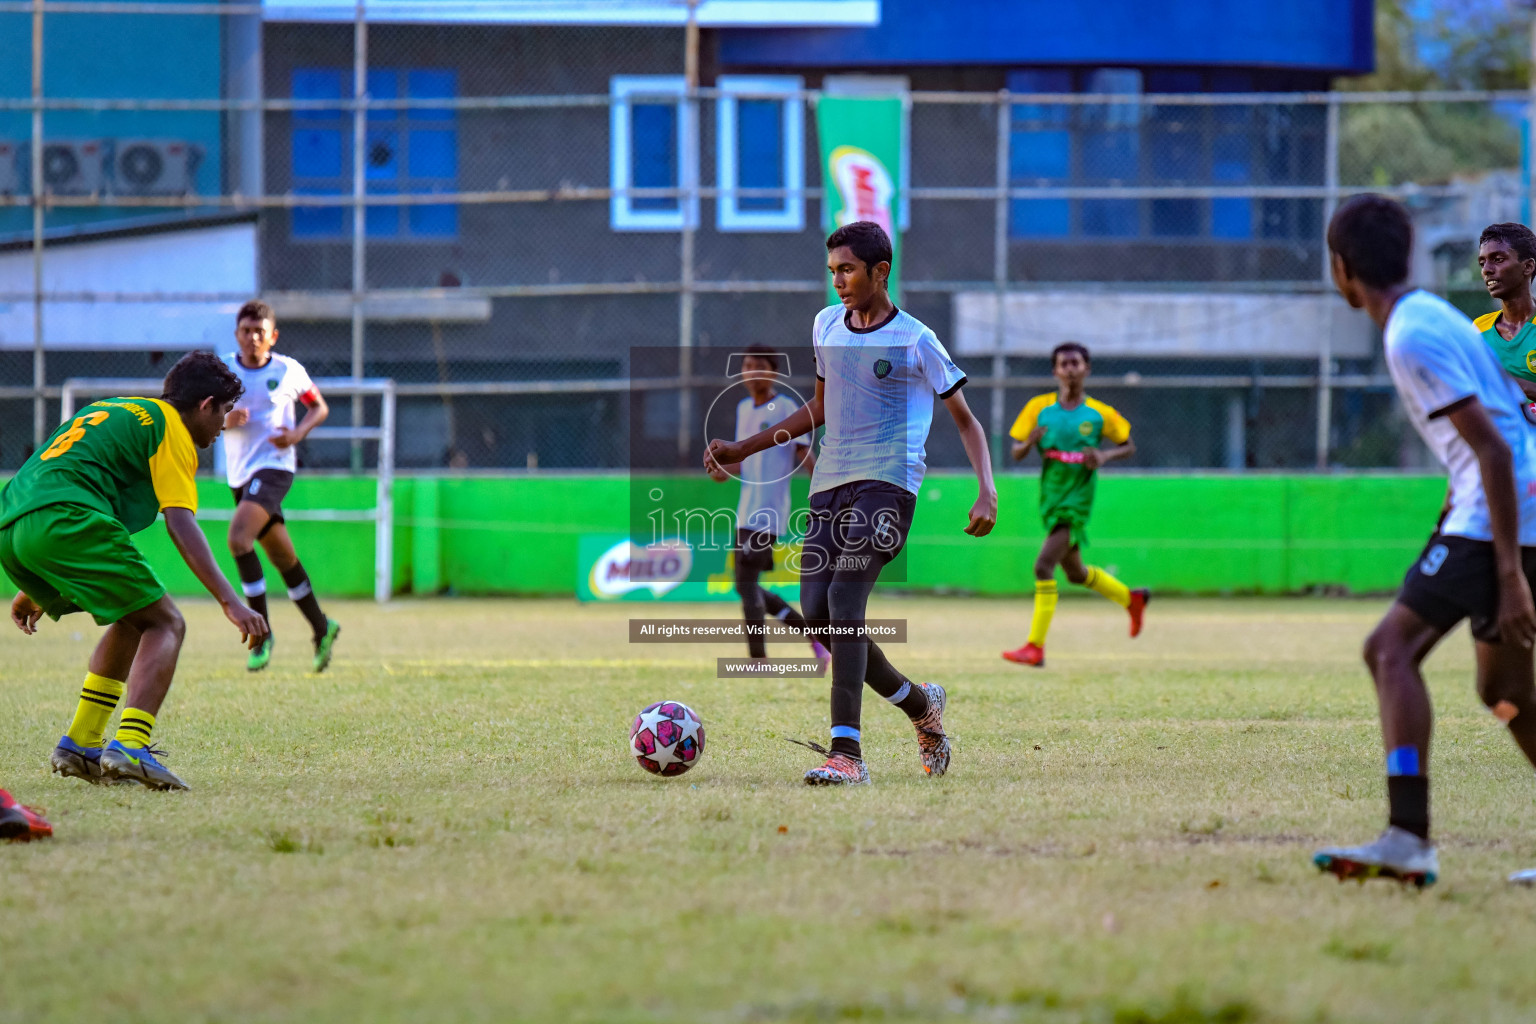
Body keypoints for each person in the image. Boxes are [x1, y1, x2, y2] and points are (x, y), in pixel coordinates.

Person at [704, 221, 998, 785]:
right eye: (832, 270)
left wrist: (986, 491)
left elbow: (967, 421)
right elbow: (818, 405)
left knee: (844, 595)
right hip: (830, 486)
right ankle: (920, 705)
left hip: (888, 486)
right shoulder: (825, 326)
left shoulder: (916, 339)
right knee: (819, 614)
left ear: (879, 271)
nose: (838, 281)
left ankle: (847, 755)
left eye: (848, 270)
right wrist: (743, 446)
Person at [1313, 194, 1536, 887]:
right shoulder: (1432, 315)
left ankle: (1408, 835)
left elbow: (1496, 453)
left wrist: (1507, 575)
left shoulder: (1412, 333)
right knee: (1507, 694)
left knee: (1389, 649)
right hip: (1504, 510)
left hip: (1504, 514)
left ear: (1343, 268)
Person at [1, 352, 268, 792]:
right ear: (204, 405)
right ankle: (131, 745)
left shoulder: (116, 409)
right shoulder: (172, 430)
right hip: (65, 518)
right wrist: (231, 601)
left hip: (13, 523)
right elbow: (181, 522)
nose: (225, 424)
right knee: (167, 623)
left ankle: (81, 743)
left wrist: (33, 582)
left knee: (134, 616)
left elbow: (67, 473)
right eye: (222, 411)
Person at [1001, 342, 1147, 667]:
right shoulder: (1039, 409)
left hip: (1077, 500)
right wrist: (1029, 443)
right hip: (1051, 498)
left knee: (1043, 566)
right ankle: (1132, 599)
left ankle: (1034, 647)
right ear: (1055, 371)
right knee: (1077, 573)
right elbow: (1015, 452)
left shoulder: (1099, 414)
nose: (1069, 368)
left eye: (1075, 363)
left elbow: (1127, 446)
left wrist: (1104, 455)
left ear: (1086, 369)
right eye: (1063, 364)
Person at [221, 300, 341, 673]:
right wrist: (226, 419)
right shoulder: (223, 370)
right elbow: (201, 415)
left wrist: (297, 434)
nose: (253, 337)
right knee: (282, 558)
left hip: (275, 469)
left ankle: (262, 634)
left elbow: (317, 407)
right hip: (240, 475)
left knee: (239, 539)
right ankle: (322, 627)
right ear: (237, 334)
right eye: (246, 331)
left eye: (260, 331)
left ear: (272, 336)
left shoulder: (288, 370)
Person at [706, 343, 830, 669]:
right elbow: (744, 460)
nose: (751, 372)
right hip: (745, 510)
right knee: (745, 585)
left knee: (746, 584)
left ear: (773, 372)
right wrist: (723, 471)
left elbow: (804, 453)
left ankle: (758, 660)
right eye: (746, 365)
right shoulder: (744, 408)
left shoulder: (785, 406)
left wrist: (822, 495)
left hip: (769, 512)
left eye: (758, 366)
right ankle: (813, 635)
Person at [1474, 221, 1536, 404]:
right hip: (1499, 433)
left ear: (1528, 267)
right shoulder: (1478, 329)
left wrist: (1499, 379)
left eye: (1498, 259)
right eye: (1482, 262)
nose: (1487, 270)